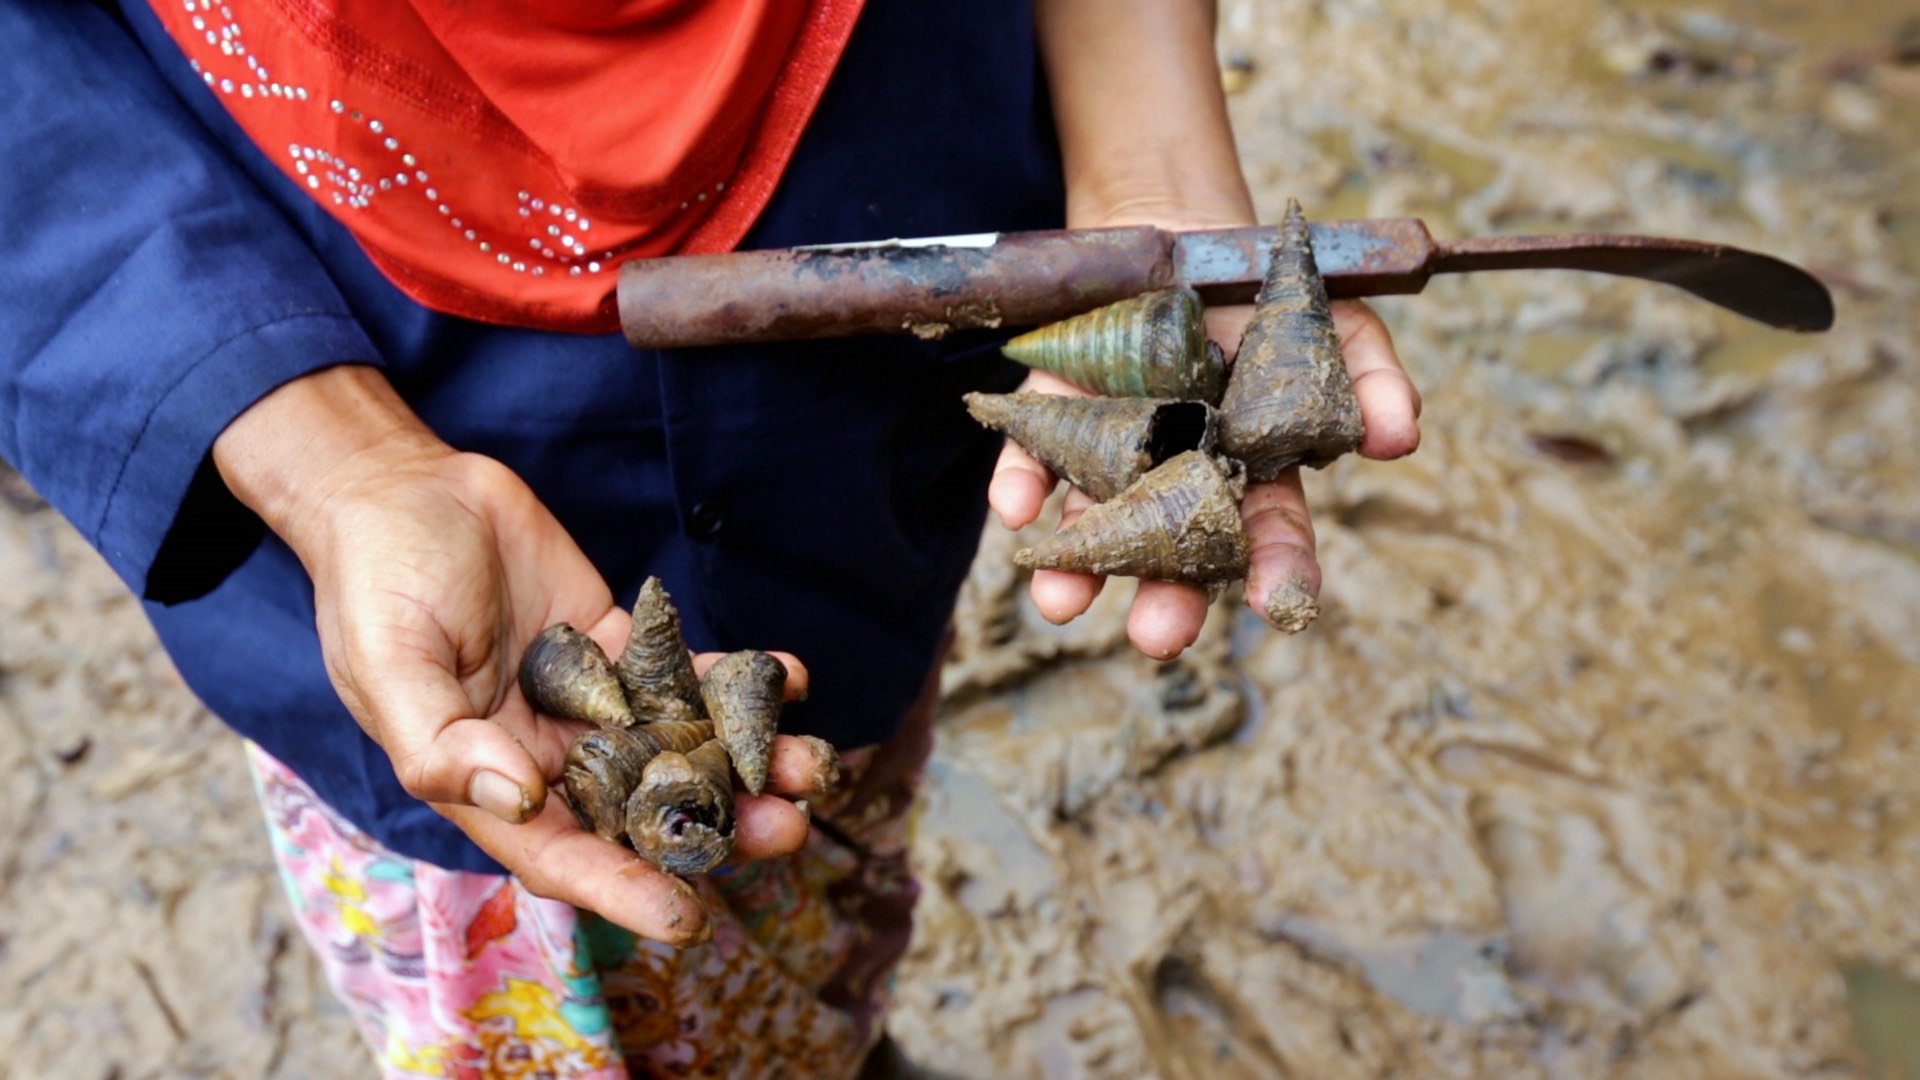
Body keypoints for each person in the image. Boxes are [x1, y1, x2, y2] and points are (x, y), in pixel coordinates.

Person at [0, 0, 1419, 1075]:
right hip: (387, 534)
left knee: (824, 890)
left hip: (869, 439)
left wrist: (1149, 173)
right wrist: (338, 466)